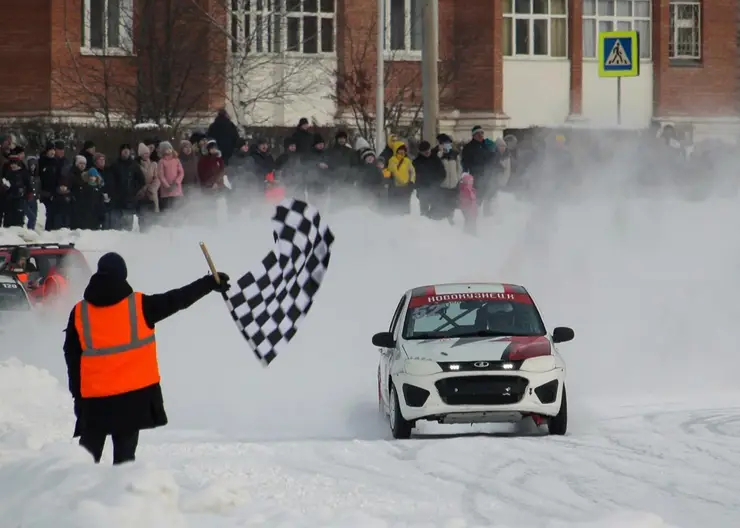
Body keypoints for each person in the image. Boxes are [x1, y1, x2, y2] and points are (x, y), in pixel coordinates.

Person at [63, 252, 231, 465]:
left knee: (84, 463)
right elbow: (178, 299)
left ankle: (76, 495)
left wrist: (78, 396)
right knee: (124, 464)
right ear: (123, 275)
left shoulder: (79, 312)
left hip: (95, 403)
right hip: (133, 401)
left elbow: (71, 356)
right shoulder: (140, 306)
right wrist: (208, 284)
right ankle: (122, 496)